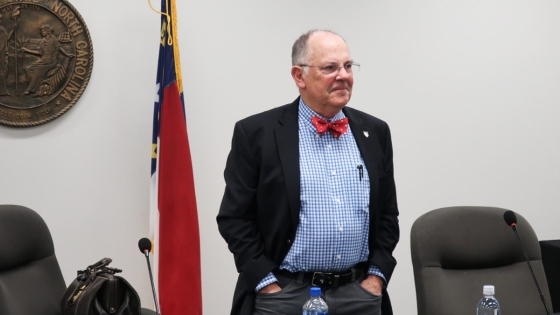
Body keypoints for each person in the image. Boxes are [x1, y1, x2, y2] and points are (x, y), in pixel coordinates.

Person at [217, 30, 399, 315]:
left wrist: (376, 278)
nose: (343, 75)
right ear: (299, 76)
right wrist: (267, 284)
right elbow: (234, 218)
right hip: (285, 295)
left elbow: (388, 214)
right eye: (330, 68)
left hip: (359, 295)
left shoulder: (374, 132)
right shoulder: (257, 134)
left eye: (348, 66)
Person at [22, 25, 73, 95]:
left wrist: (67, 54)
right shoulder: (42, 41)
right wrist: (27, 50)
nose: (42, 32)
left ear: (48, 31)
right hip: (43, 61)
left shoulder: (53, 40)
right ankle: (37, 86)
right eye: (41, 31)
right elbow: (39, 52)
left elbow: (60, 48)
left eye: (44, 31)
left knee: (37, 71)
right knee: (28, 69)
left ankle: (30, 89)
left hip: (51, 62)